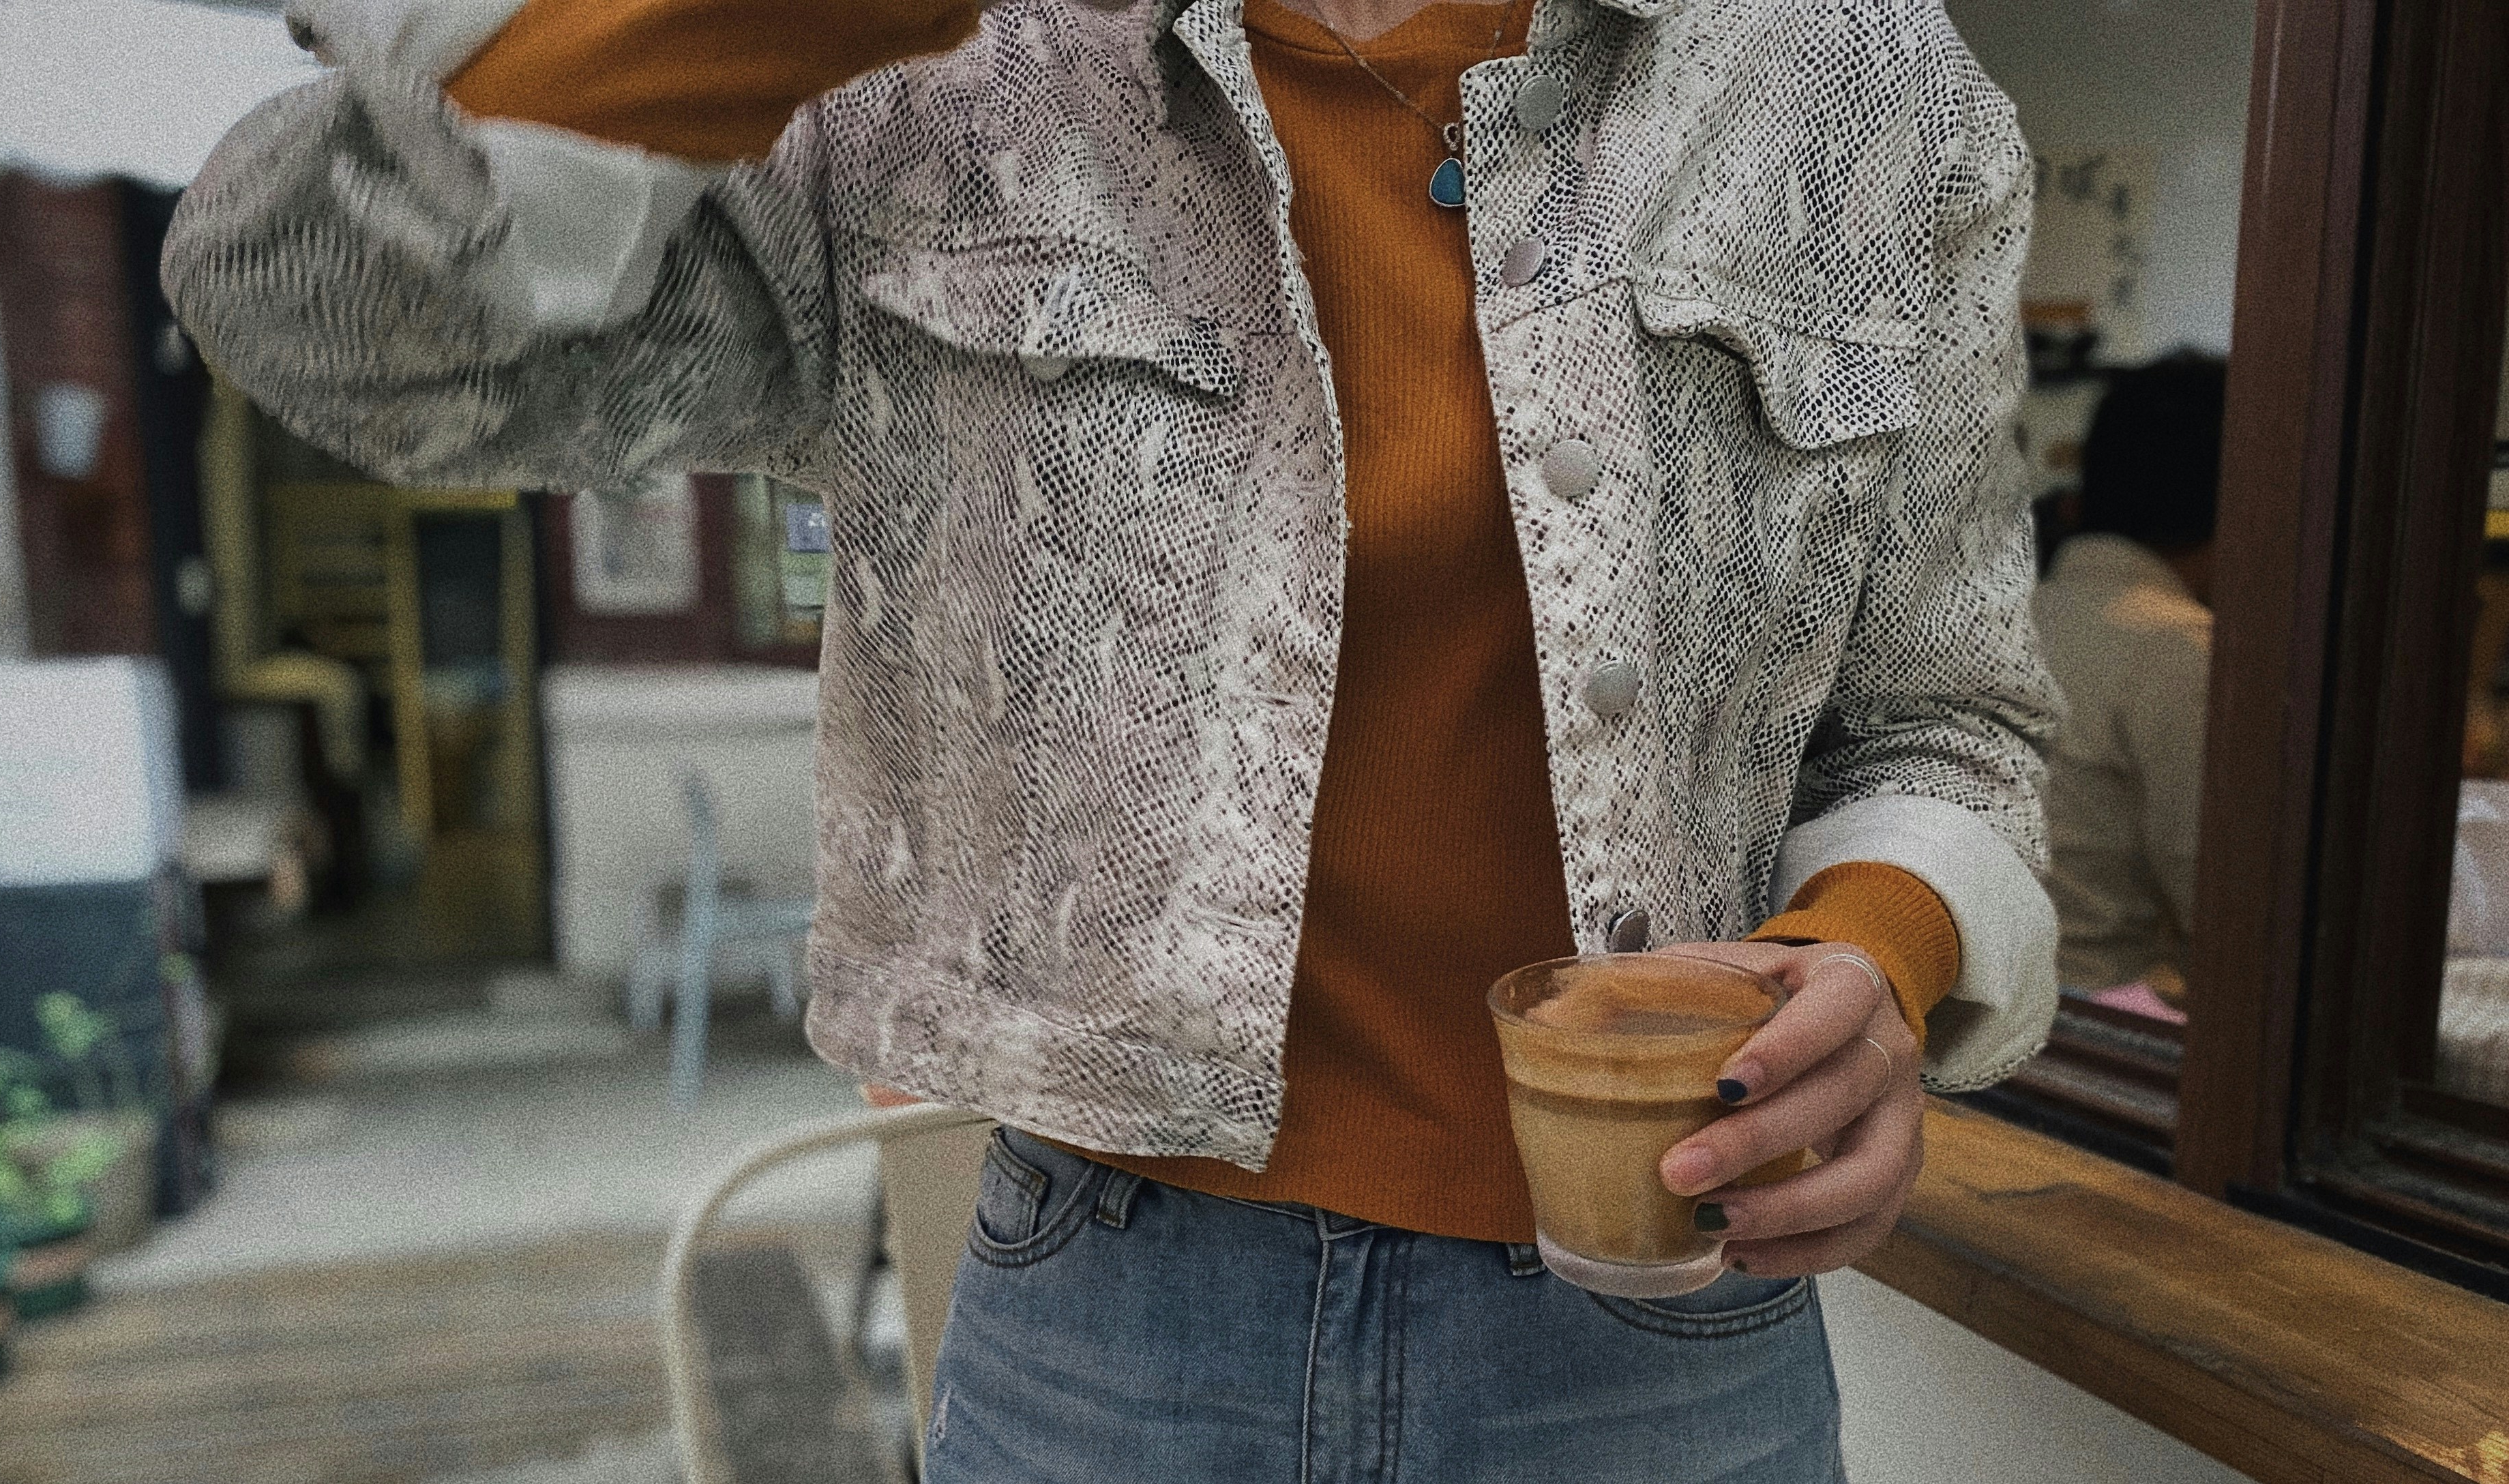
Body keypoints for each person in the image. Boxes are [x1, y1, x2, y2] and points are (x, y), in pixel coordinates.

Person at [164, 0, 2062, 1476]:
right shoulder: (947, 72)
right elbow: (321, 314)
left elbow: (1948, 716)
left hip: (1663, 1311)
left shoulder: (1851, 85)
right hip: (1110, 1314)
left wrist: (1872, 952)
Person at [2034, 353, 2223, 1005]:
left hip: (1986, 1006)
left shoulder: (2017, 613)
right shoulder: (2181, 649)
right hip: (2112, 1017)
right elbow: (2221, 909)